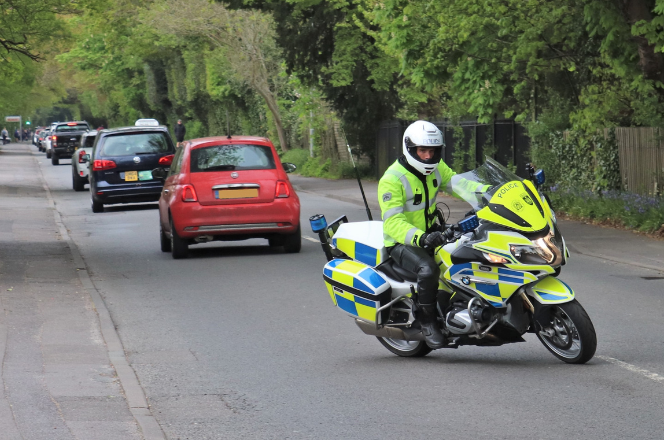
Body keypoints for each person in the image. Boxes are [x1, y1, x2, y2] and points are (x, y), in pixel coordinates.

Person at [377, 120, 485, 349]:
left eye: (432, 151)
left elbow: (460, 184)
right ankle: (426, 322)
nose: (427, 156)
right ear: (410, 148)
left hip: (431, 233)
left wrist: (495, 195)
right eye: (422, 151)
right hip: (402, 242)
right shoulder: (392, 180)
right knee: (429, 270)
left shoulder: (436, 168)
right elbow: (393, 222)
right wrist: (420, 237)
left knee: (470, 251)